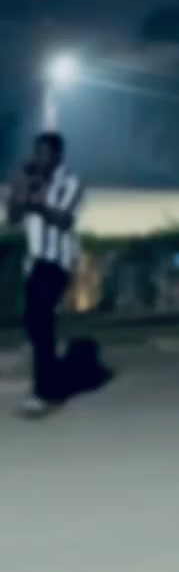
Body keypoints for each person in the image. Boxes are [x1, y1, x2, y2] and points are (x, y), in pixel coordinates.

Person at [7, 131, 86, 416]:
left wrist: (35, 202)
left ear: (57, 156)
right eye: (36, 153)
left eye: (44, 153)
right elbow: (13, 217)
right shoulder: (32, 181)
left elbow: (63, 220)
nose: (38, 159)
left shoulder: (71, 182)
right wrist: (20, 188)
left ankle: (43, 391)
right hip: (34, 262)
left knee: (40, 318)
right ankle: (48, 376)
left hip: (56, 262)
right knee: (35, 322)